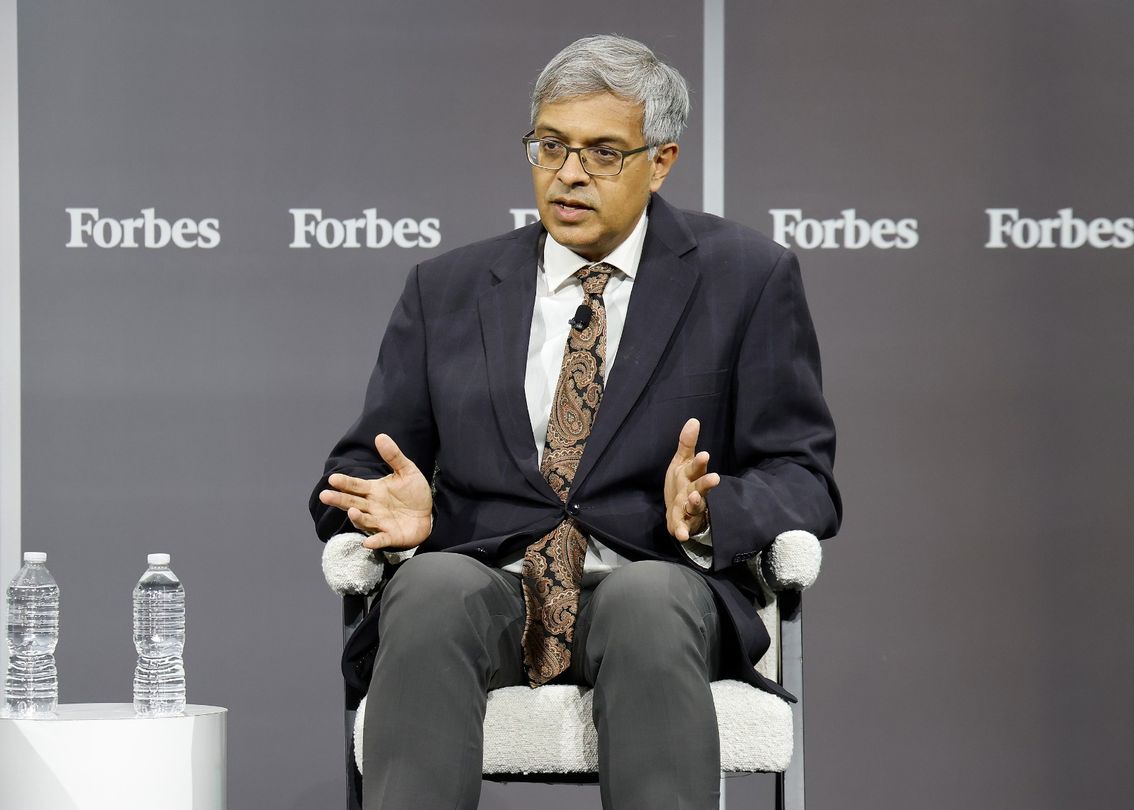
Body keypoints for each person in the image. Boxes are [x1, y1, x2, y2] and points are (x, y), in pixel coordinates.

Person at [309, 34, 841, 810]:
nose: (568, 174)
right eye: (551, 146)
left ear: (661, 161)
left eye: (602, 153)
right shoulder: (447, 289)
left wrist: (708, 514)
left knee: (646, 603)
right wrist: (397, 513)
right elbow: (353, 473)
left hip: (657, 585)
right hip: (491, 579)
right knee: (428, 589)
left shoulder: (746, 278)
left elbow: (805, 475)